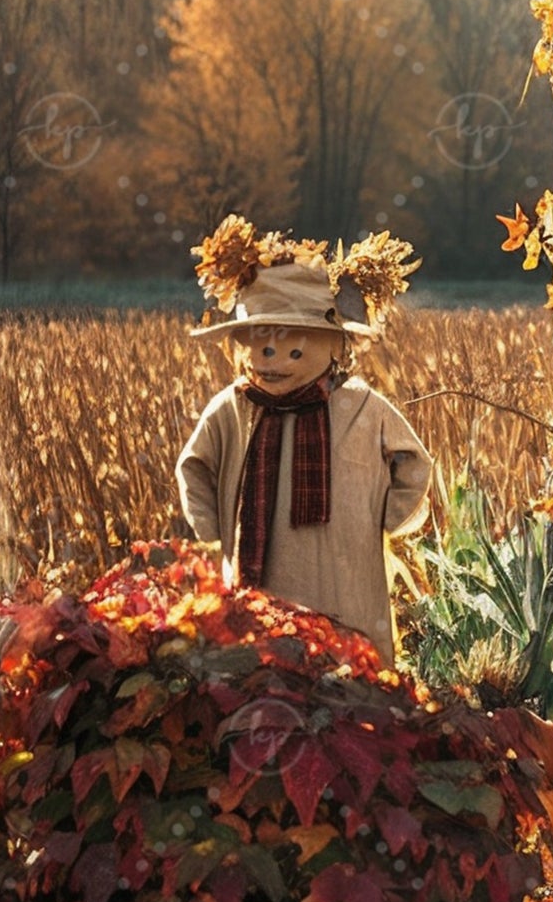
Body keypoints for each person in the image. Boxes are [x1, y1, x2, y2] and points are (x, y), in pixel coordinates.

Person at [176, 219, 432, 664]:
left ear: (333, 346)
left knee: (351, 673)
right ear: (243, 345)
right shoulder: (233, 409)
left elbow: (413, 464)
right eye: (263, 350)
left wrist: (383, 520)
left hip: (348, 575)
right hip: (259, 575)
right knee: (264, 667)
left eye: (294, 352)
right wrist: (214, 533)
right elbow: (194, 467)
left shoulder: (361, 406)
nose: (273, 364)